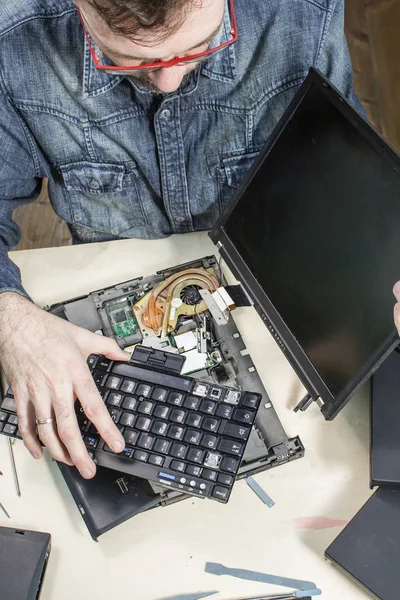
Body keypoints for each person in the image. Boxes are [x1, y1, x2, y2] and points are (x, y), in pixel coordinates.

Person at [0, 0, 399, 479]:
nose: (170, 81)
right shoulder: (16, 38)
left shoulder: (303, 14)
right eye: (126, 59)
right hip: (109, 286)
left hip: (283, 310)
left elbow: (349, 168)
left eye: (199, 46)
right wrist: (13, 323)